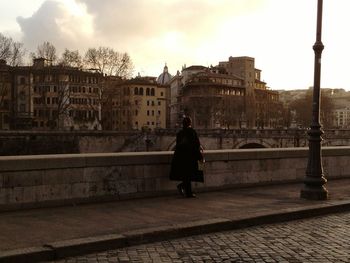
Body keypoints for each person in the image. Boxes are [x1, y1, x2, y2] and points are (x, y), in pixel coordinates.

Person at [170, 116, 203, 198]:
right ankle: (187, 192)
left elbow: (178, 145)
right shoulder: (192, 132)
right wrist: (200, 156)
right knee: (190, 174)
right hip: (190, 157)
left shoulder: (180, 133)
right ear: (190, 123)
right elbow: (196, 145)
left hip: (181, 157)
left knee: (186, 174)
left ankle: (186, 190)